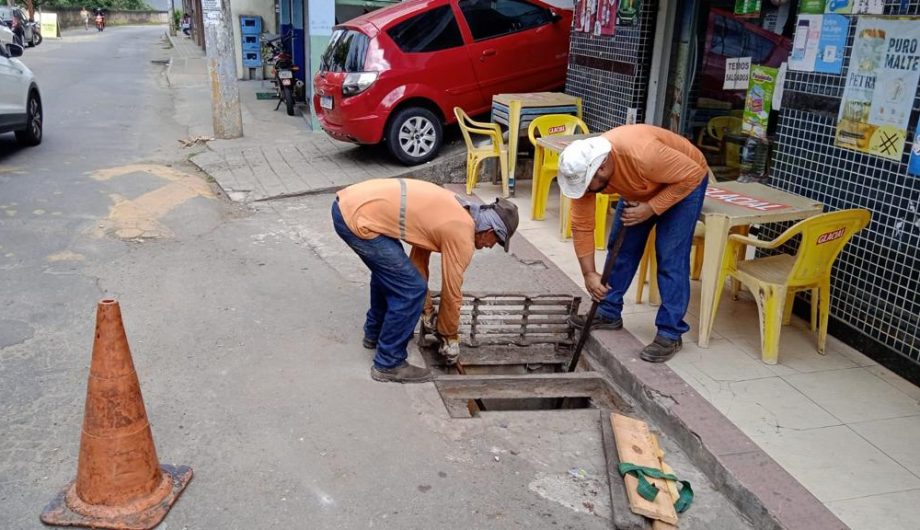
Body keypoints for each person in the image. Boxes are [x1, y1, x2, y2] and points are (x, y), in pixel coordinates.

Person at [332, 178, 519, 383]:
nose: (491, 246)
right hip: (356, 217)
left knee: (392, 274)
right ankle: (388, 363)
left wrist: (428, 311)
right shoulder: (462, 231)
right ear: (490, 231)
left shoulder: (456, 207)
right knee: (410, 289)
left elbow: (418, 261)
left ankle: (374, 334)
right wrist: (449, 336)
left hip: (352, 204)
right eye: (497, 242)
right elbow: (452, 290)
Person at [557, 124, 709, 363]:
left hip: (684, 181)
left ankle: (670, 332)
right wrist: (588, 274)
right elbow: (582, 226)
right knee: (622, 248)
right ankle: (608, 311)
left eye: (587, 186)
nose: (586, 192)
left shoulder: (643, 154)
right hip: (642, 185)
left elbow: (692, 175)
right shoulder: (589, 176)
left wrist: (652, 208)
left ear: (602, 168)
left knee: (670, 256)